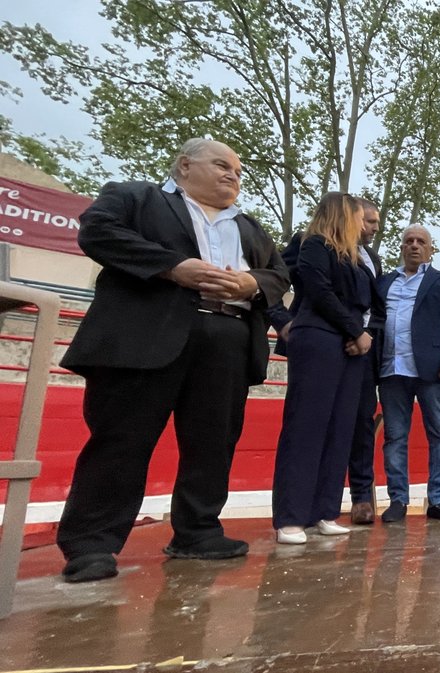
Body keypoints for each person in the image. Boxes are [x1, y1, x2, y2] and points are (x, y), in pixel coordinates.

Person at [55, 138, 289, 583]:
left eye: (238, 172)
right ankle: (92, 544)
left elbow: (278, 275)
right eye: (222, 165)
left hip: (228, 339)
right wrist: (173, 267)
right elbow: (98, 232)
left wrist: (250, 284)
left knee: (214, 441)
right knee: (122, 439)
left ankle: (198, 532)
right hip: (147, 335)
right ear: (185, 165)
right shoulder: (136, 197)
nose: (232, 176)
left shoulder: (249, 227)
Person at [272, 192, 382, 545]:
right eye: (356, 216)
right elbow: (318, 290)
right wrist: (353, 331)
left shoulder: (361, 259)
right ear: (341, 215)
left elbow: (376, 304)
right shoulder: (313, 245)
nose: (362, 223)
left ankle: (324, 511)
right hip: (318, 338)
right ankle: (291, 517)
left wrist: (364, 335)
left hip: (353, 349)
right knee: (307, 425)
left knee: (340, 428)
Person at [378, 225, 440, 522]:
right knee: (395, 437)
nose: (414, 246)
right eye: (408, 241)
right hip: (391, 370)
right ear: (402, 247)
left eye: (421, 242)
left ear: (431, 249)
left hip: (433, 371)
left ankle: (439, 499)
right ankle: (397, 500)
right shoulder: (382, 283)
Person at [347, 201, 385, 524]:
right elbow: (281, 283)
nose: (374, 227)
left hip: (367, 352)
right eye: (369, 221)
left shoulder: (374, 259)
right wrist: (284, 323)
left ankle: (361, 497)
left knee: (362, 421)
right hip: (331, 347)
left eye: (376, 222)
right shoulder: (313, 243)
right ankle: (317, 499)